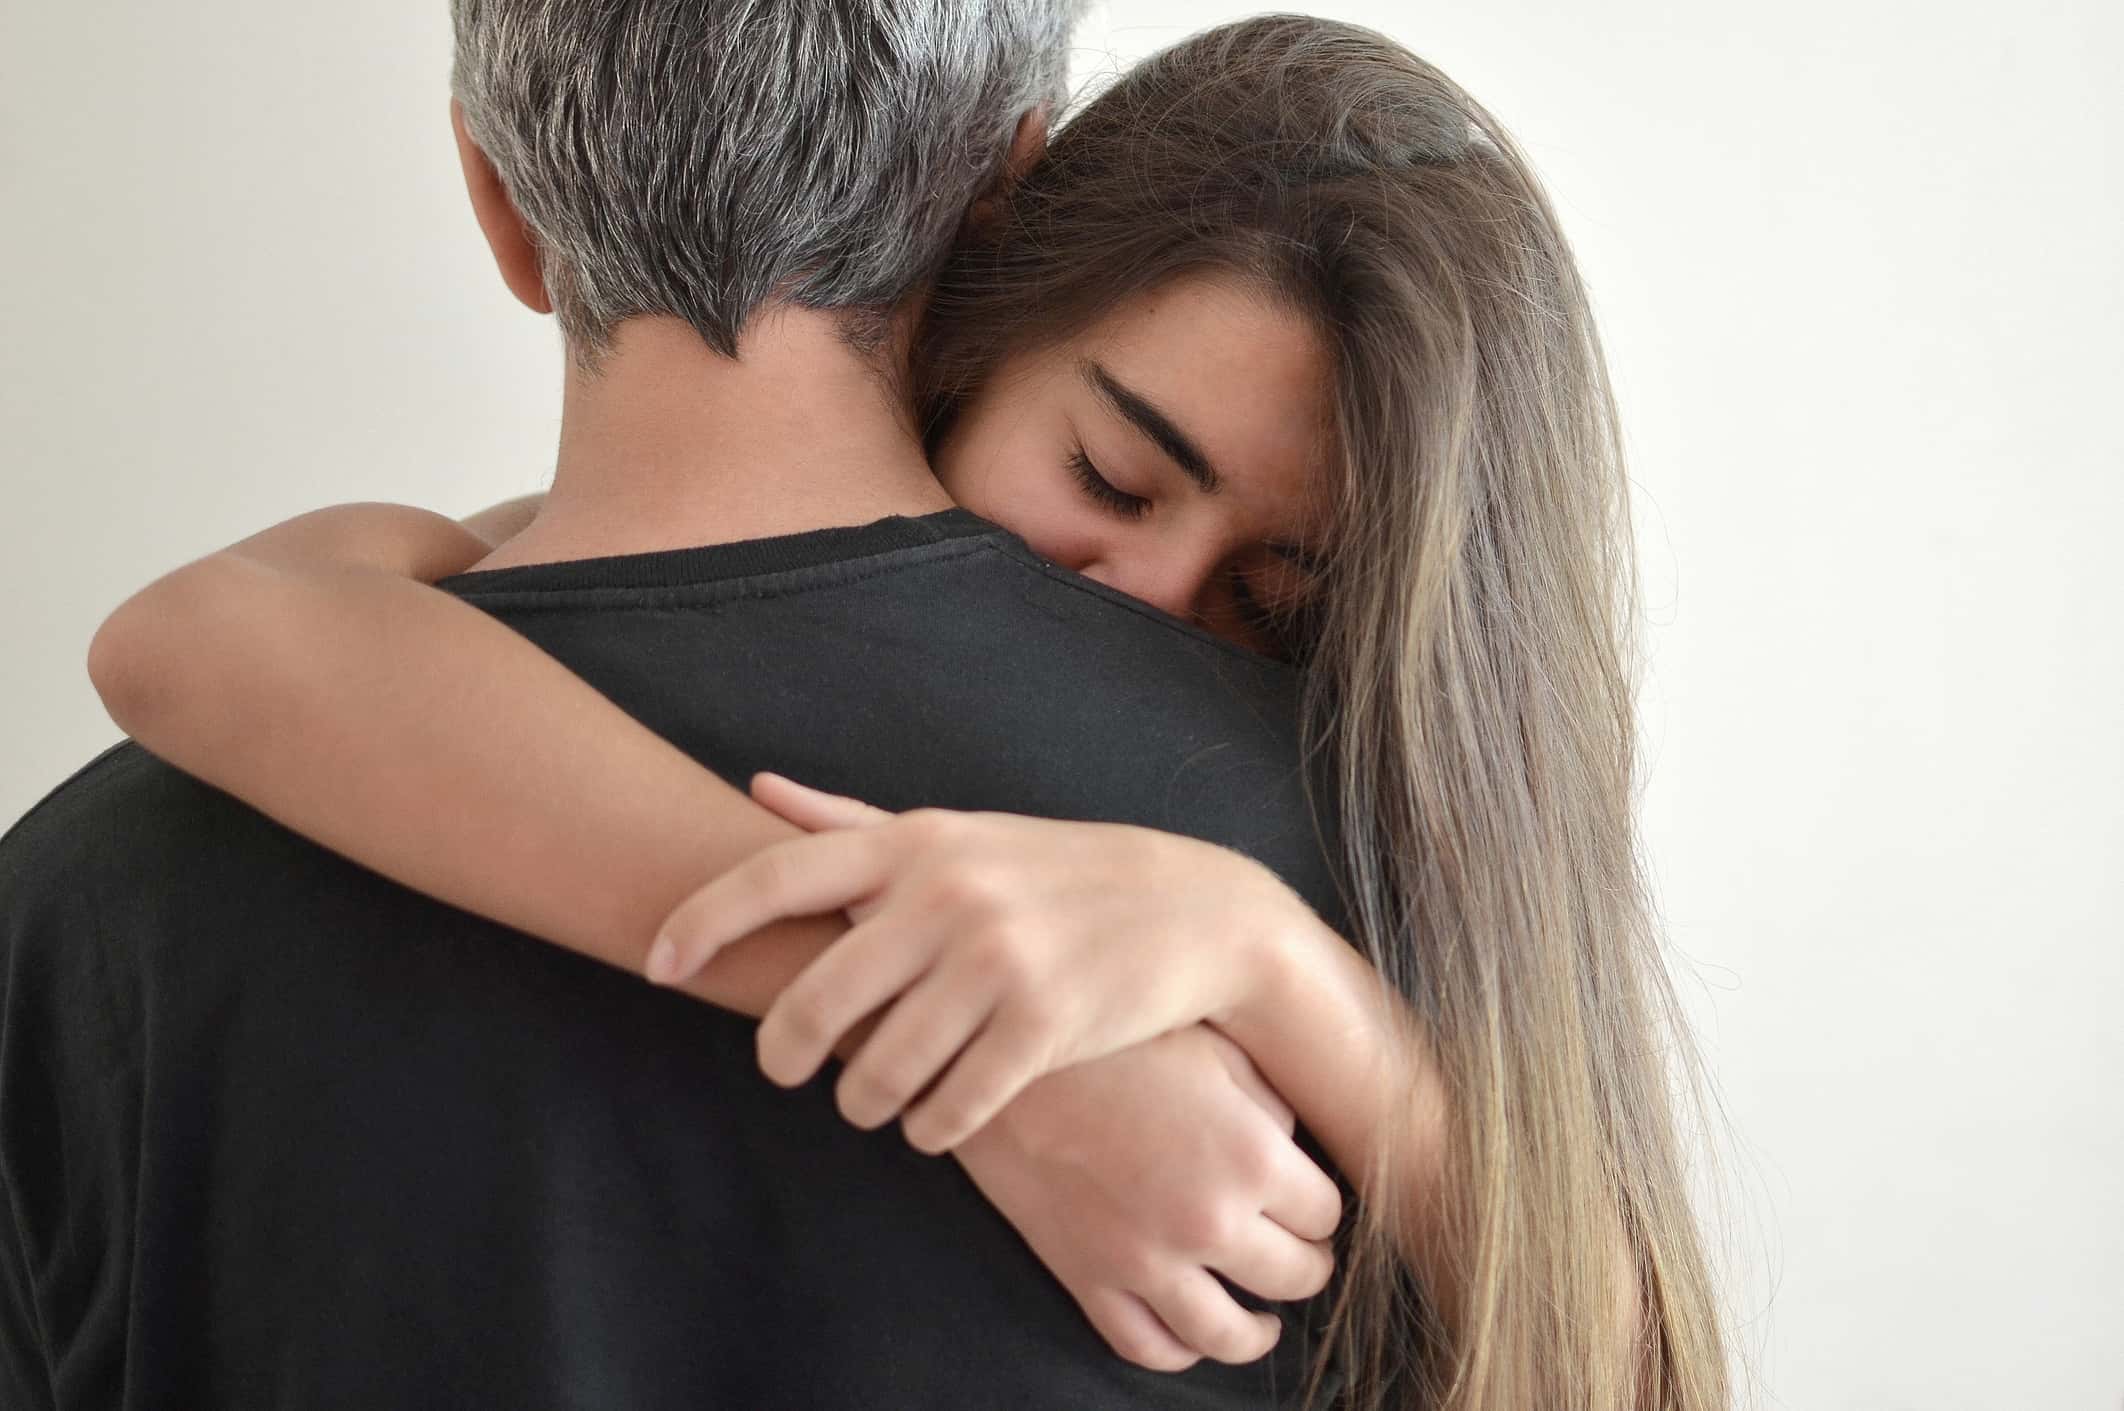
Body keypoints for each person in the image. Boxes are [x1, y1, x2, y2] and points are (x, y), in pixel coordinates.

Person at [66, 15, 1731, 1411]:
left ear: (499, 200)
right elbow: (208, 632)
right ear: (998, 219)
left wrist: (1274, 963)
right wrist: (970, 1049)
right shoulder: (1333, 863)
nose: (1138, 608)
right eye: (1110, 475)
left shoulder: (107, 872)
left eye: (1273, 603)